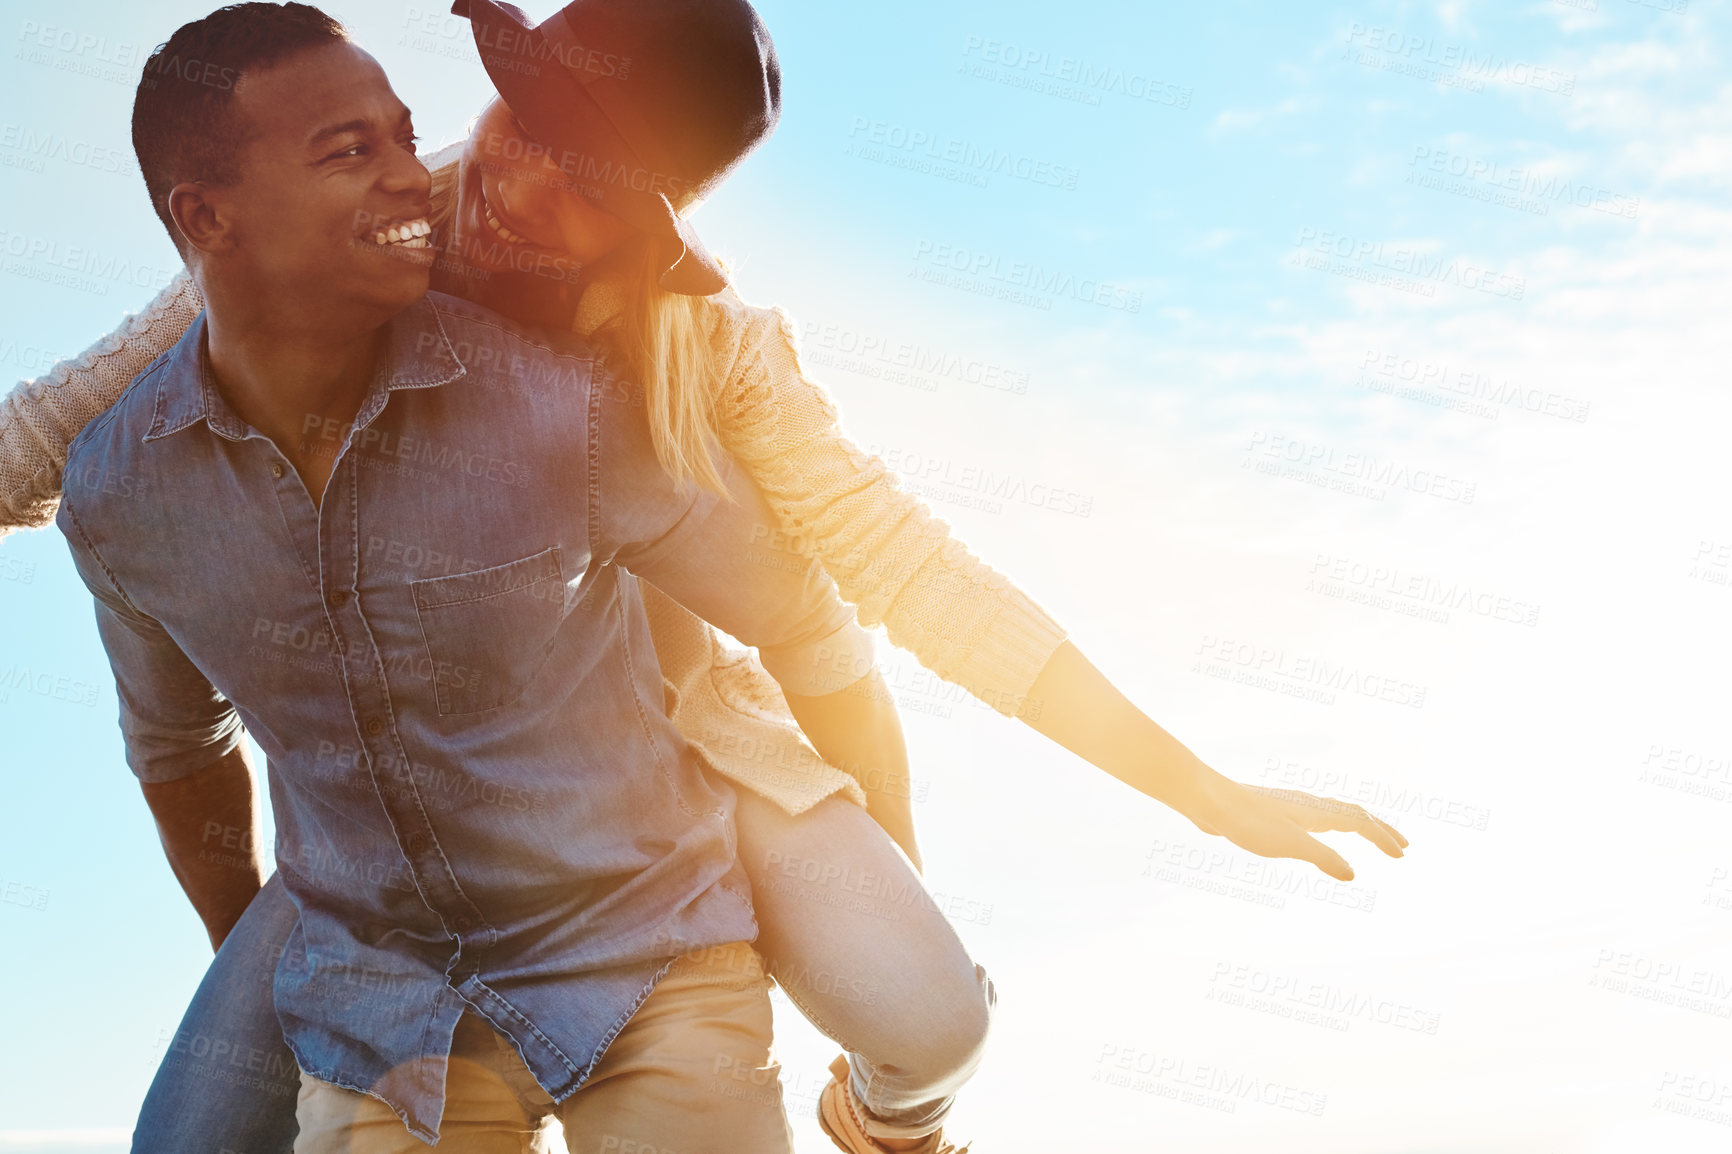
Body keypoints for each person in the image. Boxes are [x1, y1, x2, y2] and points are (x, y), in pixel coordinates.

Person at [0, 2, 1409, 1151]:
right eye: (526, 128)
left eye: (593, 185)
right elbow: (52, 437)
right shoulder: (369, 236)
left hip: (660, 761)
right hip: (384, 816)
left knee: (930, 1013)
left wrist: (1200, 791)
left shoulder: (711, 354)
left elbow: (906, 583)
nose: (522, 188)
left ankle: (890, 1121)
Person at [54, 5, 915, 1151]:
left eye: (403, 139)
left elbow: (820, 610)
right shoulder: (126, 491)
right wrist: (292, 976)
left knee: (931, 1012)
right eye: (353, 152)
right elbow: (175, 739)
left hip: (625, 861)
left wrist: (897, 874)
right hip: (364, 908)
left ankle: (899, 1102)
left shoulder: (601, 388)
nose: (426, 180)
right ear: (209, 217)